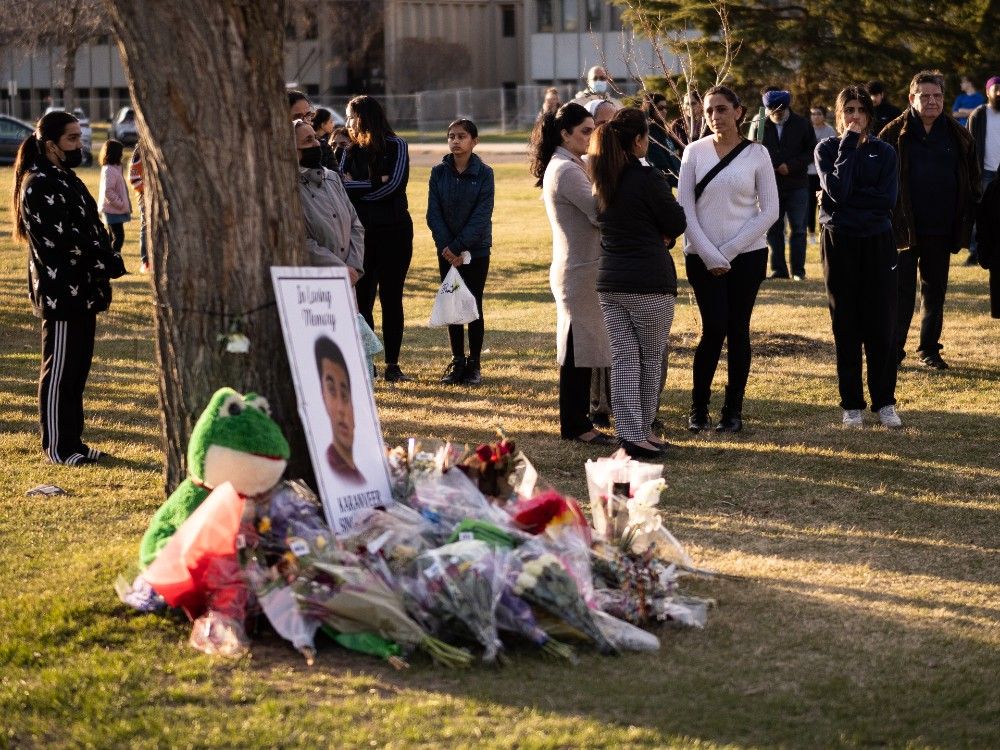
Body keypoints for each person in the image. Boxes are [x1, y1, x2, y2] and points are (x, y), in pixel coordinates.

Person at [12, 110, 126, 465]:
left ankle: (74, 441)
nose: (80, 144)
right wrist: (102, 259)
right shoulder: (38, 183)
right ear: (50, 145)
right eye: (72, 139)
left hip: (84, 291)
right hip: (61, 293)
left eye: (80, 136)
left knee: (77, 370)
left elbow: (91, 226)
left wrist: (106, 255)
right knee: (59, 371)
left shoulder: (67, 177)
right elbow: (60, 243)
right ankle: (58, 448)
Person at [677, 86, 779, 433]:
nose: (714, 116)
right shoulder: (693, 152)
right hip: (702, 257)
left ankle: (733, 410)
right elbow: (685, 209)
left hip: (747, 257)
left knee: (738, 330)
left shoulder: (757, 155)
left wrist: (730, 251)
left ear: (738, 111)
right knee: (713, 328)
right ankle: (698, 408)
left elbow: (770, 211)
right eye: (709, 111)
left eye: (721, 109)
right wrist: (709, 253)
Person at [590, 108, 687, 458]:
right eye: (647, 136)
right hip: (648, 282)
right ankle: (638, 433)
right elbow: (676, 221)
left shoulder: (602, 179)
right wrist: (661, 233)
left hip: (611, 283)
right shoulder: (647, 179)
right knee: (648, 359)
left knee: (625, 359)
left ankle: (633, 433)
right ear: (637, 140)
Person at [879, 70, 981, 370]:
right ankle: (893, 350)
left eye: (937, 96)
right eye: (925, 96)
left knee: (935, 291)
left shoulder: (958, 135)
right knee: (900, 292)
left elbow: (973, 180)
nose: (932, 102)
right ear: (912, 98)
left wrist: (969, 216)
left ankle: (929, 350)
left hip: (942, 227)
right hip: (902, 228)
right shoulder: (892, 134)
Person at [815, 85, 902, 429]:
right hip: (840, 241)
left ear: (869, 115)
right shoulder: (827, 148)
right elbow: (836, 189)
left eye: (860, 110)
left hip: (878, 240)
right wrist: (848, 147)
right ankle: (852, 404)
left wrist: (847, 199)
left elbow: (886, 200)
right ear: (839, 115)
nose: (854, 116)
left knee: (881, 323)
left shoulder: (885, 152)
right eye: (848, 109)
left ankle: (885, 402)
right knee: (846, 323)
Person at [530, 102, 613, 445]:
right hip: (579, 269)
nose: (591, 136)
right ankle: (576, 425)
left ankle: (577, 422)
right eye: (585, 131)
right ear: (565, 134)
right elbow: (599, 211)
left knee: (579, 348)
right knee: (578, 351)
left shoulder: (571, 164)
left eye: (593, 129)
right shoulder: (565, 169)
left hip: (579, 266)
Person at [340, 95, 414, 382]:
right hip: (361, 234)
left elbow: (393, 186)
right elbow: (342, 188)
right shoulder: (348, 149)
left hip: (394, 231)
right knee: (363, 298)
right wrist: (373, 184)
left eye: (350, 116)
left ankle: (393, 365)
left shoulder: (396, 146)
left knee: (392, 297)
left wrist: (361, 188)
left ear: (364, 117)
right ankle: (367, 362)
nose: (347, 123)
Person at [426, 118, 495, 386]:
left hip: (475, 250)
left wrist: (459, 246)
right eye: (451, 136)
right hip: (446, 251)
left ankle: (474, 363)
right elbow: (434, 214)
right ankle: (457, 361)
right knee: (452, 301)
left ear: (474, 141)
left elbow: (481, 215)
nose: (455, 141)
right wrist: (447, 247)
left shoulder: (484, 173)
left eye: (462, 136)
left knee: (473, 303)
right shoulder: (438, 172)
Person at [757, 87, 817, 280]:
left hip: (797, 184)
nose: (776, 114)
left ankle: (798, 271)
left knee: (798, 229)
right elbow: (755, 150)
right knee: (774, 229)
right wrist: (772, 166)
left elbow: (811, 151)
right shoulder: (761, 125)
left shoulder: (802, 124)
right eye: (772, 110)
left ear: (786, 109)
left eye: (779, 110)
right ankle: (779, 270)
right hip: (771, 185)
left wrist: (790, 166)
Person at [293, 119, 364, 280]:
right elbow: (299, 238)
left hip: (349, 278)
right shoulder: (287, 187)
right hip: (315, 282)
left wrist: (353, 267)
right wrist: (339, 269)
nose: (316, 144)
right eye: (308, 141)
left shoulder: (331, 177)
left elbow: (355, 224)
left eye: (315, 138)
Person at [315, 336, 365, 485]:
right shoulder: (331, 470)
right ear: (323, 397)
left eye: (344, 395)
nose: (340, 409)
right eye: (331, 391)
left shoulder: (365, 468)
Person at [966, 76, 1000, 266]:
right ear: (988, 92)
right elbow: (969, 145)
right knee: (981, 214)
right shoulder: (978, 114)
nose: (999, 92)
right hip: (984, 172)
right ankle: (975, 252)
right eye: (996, 89)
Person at [98, 139, 132, 260]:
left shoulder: (115, 168)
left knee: (112, 237)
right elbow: (108, 191)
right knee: (118, 237)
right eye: (120, 152)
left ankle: (110, 261)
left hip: (115, 209)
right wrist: (120, 204)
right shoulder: (110, 170)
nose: (122, 155)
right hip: (112, 209)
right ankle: (114, 261)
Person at [807, 106, 836, 239]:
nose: (816, 116)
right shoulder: (807, 130)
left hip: (823, 173)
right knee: (810, 204)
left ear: (823, 116)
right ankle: (811, 232)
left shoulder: (829, 130)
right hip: (808, 172)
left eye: (818, 114)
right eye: (813, 114)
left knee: (823, 202)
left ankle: (822, 230)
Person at [128, 144, 148, 273]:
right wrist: (148, 189)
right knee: (146, 226)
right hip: (145, 195)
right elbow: (134, 178)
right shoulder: (141, 150)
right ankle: (146, 261)